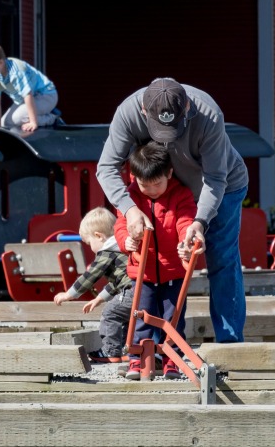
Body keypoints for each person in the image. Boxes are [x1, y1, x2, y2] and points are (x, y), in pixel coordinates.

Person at [97, 77, 249, 344]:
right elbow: (106, 168)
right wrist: (130, 209)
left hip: (221, 187)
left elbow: (215, 179)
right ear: (144, 112)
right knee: (156, 260)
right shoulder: (128, 112)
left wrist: (199, 221)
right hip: (161, 192)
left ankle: (230, 342)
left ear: (187, 107)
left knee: (221, 257)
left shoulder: (208, 114)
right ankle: (155, 347)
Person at [114, 141, 196, 380]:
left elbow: (184, 221)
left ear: (169, 174)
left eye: (157, 184)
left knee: (174, 319)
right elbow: (121, 224)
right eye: (144, 184)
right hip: (143, 272)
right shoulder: (129, 197)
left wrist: (185, 241)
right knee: (141, 316)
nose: (150, 190)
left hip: (173, 271)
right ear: (133, 176)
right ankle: (138, 360)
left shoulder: (180, 194)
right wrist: (126, 241)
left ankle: (172, 360)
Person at [53, 206, 133, 364]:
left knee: (111, 314)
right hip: (139, 289)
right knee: (124, 315)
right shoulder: (120, 249)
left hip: (132, 290)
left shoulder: (107, 251)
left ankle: (110, 351)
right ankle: (125, 349)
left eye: (89, 242)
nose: (90, 247)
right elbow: (117, 282)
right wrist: (99, 299)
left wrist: (69, 294)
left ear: (99, 236)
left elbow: (91, 275)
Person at [0, 42, 59, 132]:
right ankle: (37, 116)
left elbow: (28, 95)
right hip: (26, 99)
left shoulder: (15, 71)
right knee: (5, 123)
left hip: (46, 95)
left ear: (0, 62)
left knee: (18, 118)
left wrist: (33, 122)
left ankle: (51, 119)